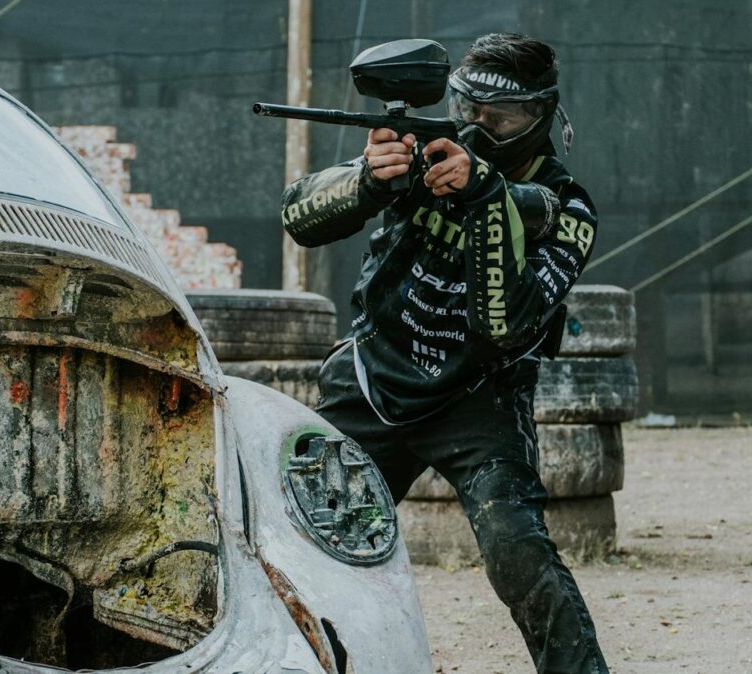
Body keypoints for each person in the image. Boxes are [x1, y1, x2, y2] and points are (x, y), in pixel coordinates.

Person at [281, 32, 609, 674]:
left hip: (478, 399)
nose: (479, 127)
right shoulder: (427, 156)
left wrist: (486, 198)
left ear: (541, 118)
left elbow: (501, 329)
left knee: (517, 550)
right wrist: (369, 183)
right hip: (374, 376)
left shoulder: (568, 209)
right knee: (304, 537)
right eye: (468, 108)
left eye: (502, 117)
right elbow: (298, 218)